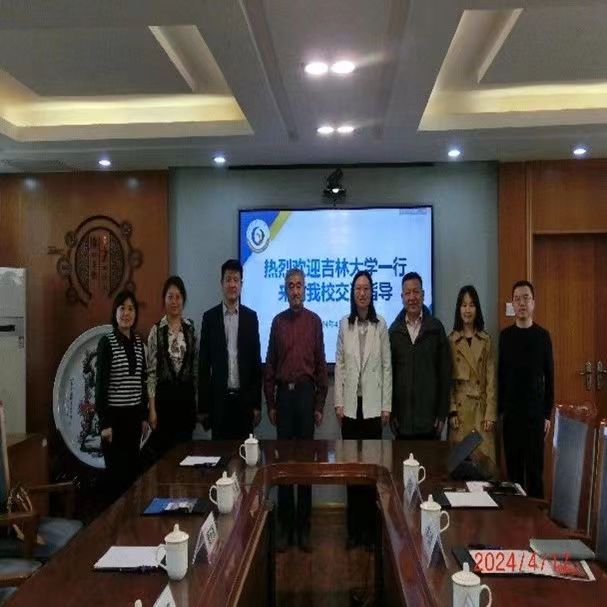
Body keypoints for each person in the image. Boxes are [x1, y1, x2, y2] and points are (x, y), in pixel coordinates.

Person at [264, 267, 328, 552]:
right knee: (284, 467)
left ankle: (304, 528)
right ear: (285, 290)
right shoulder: (277, 322)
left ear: (305, 288)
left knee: (305, 467)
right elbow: (269, 364)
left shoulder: (314, 322)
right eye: (290, 286)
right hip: (284, 400)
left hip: (305, 396)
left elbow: (321, 366)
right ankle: (286, 527)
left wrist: (319, 405)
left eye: (299, 285)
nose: (295, 290)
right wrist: (271, 403)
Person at [334, 270, 391, 548]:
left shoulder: (381, 325)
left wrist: (386, 406)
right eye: (358, 288)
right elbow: (340, 365)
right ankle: (353, 532)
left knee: (369, 472)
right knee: (351, 471)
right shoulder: (344, 324)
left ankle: (369, 533)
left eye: (366, 288)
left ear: (372, 292)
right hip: (349, 408)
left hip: (372, 408)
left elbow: (387, 367)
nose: (362, 293)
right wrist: (338, 402)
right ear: (352, 292)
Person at [499, 280, 554, 498]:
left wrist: (547, 414)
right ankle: (515, 517)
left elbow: (550, 377)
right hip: (512, 416)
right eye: (517, 299)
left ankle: (536, 516)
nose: (521, 303)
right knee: (513, 475)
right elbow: (501, 376)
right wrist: (501, 412)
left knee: (534, 474)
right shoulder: (505, 336)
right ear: (512, 303)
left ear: (533, 303)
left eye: (526, 298)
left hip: (535, 416)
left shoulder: (543, 336)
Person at [198, 259, 262, 440]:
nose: (232, 284)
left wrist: (257, 405)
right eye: (228, 279)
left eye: (236, 280)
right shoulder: (210, 318)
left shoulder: (251, 318)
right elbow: (203, 365)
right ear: (221, 283)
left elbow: (256, 365)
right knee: (220, 453)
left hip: (244, 402)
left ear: (241, 284)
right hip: (219, 402)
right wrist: (203, 407)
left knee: (245, 452)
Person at [95, 290, 148, 498]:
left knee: (131, 476)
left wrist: (143, 417)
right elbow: (101, 385)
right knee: (116, 479)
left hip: (134, 420)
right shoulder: (106, 342)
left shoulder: (138, 343)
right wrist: (104, 423)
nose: (126, 313)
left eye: (131, 309)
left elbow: (142, 381)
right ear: (115, 312)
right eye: (122, 308)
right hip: (114, 421)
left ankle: (130, 517)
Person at [389, 271, 451, 439]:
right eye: (407, 293)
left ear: (423, 294)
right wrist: (392, 413)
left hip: (430, 422)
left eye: (416, 292)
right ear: (402, 297)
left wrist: (442, 413)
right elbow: (389, 376)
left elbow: (445, 374)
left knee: (430, 458)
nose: (412, 297)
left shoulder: (436, 329)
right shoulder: (394, 332)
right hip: (402, 423)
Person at [147, 276, 198, 456]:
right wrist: (152, 409)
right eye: (170, 297)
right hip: (164, 403)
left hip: (186, 402)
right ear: (164, 300)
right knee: (164, 457)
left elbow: (195, 370)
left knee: (185, 455)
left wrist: (197, 404)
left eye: (178, 297)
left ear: (183, 299)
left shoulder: (190, 329)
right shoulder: (156, 331)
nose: (174, 301)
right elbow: (151, 373)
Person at [448, 285, 497, 467]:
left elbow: (491, 380)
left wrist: (490, 413)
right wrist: (452, 410)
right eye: (464, 305)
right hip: (460, 415)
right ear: (458, 309)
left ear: (477, 309)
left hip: (481, 413)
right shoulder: (451, 340)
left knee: (484, 468)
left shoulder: (486, 340)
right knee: (460, 468)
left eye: (471, 305)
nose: (467, 310)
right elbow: (448, 382)